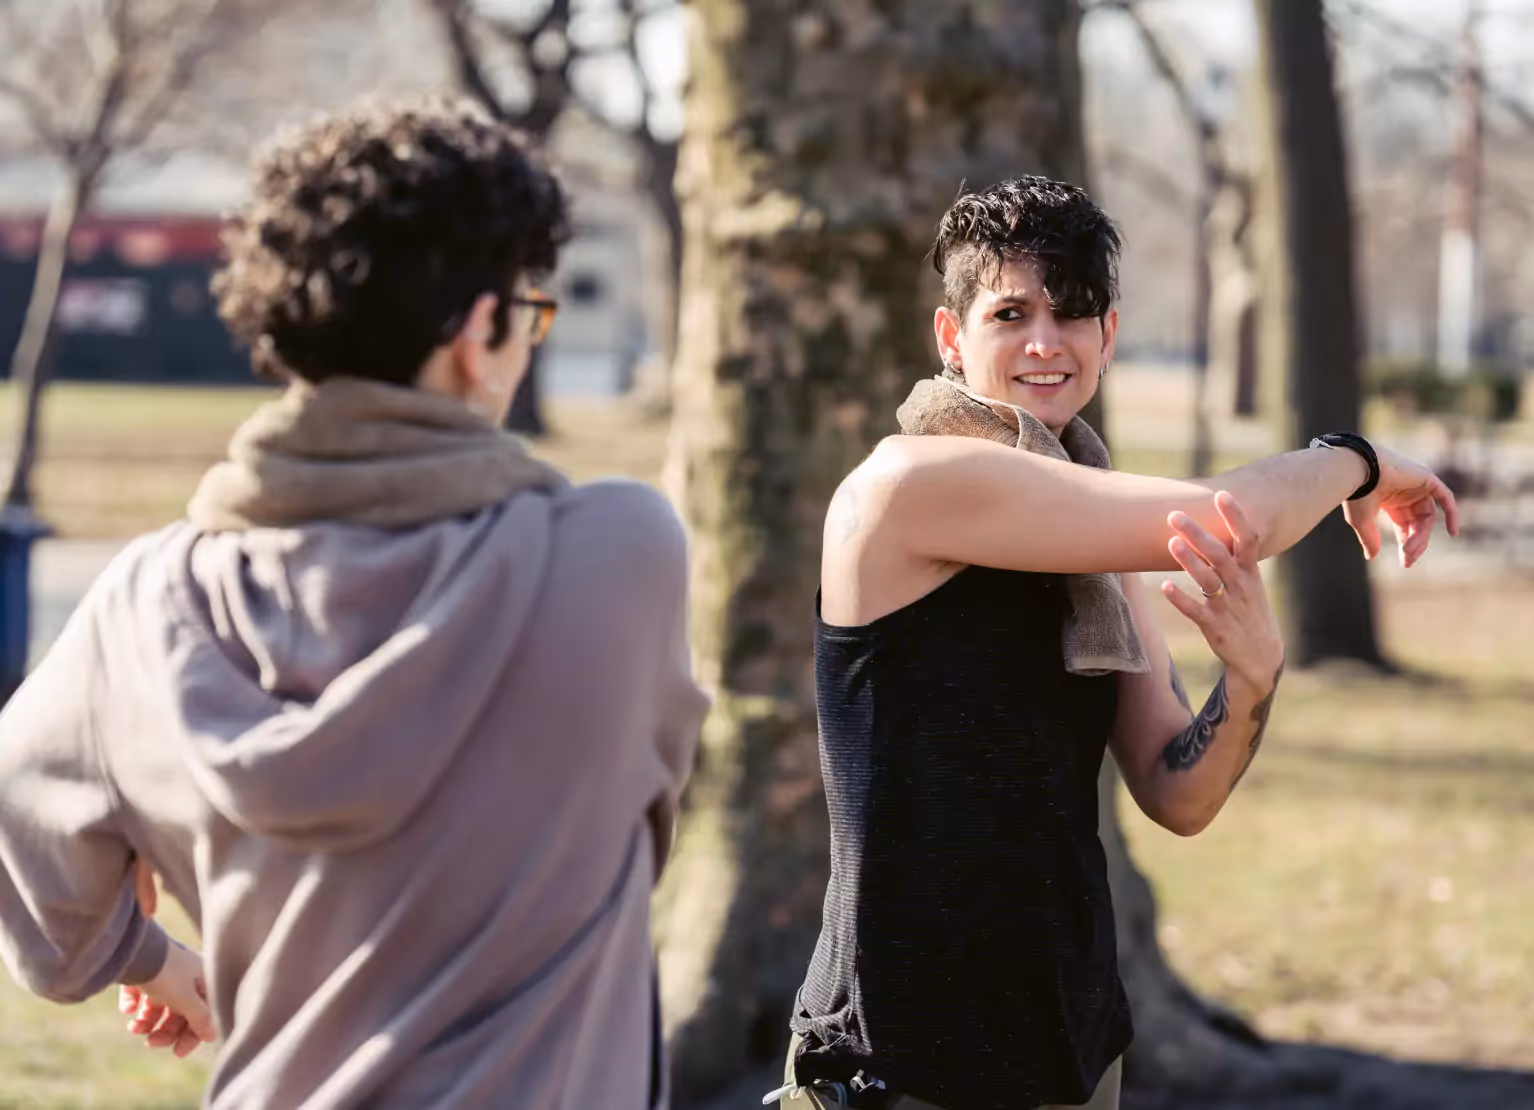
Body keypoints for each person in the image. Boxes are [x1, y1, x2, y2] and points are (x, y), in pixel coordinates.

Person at [0, 97, 707, 1110]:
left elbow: (38, 905)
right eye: (529, 316)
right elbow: (642, 823)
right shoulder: (617, 555)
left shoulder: (144, 605)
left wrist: (148, 955)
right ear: (481, 330)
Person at [775, 177, 1458, 1110]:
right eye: (1010, 312)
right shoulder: (907, 485)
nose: (1045, 341)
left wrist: (1250, 681)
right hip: (906, 1065)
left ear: (1108, 336)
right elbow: (1233, 517)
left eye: (1074, 311)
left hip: (1073, 1054)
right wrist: (1356, 460)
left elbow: (1178, 792)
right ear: (950, 337)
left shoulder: (1096, 541)